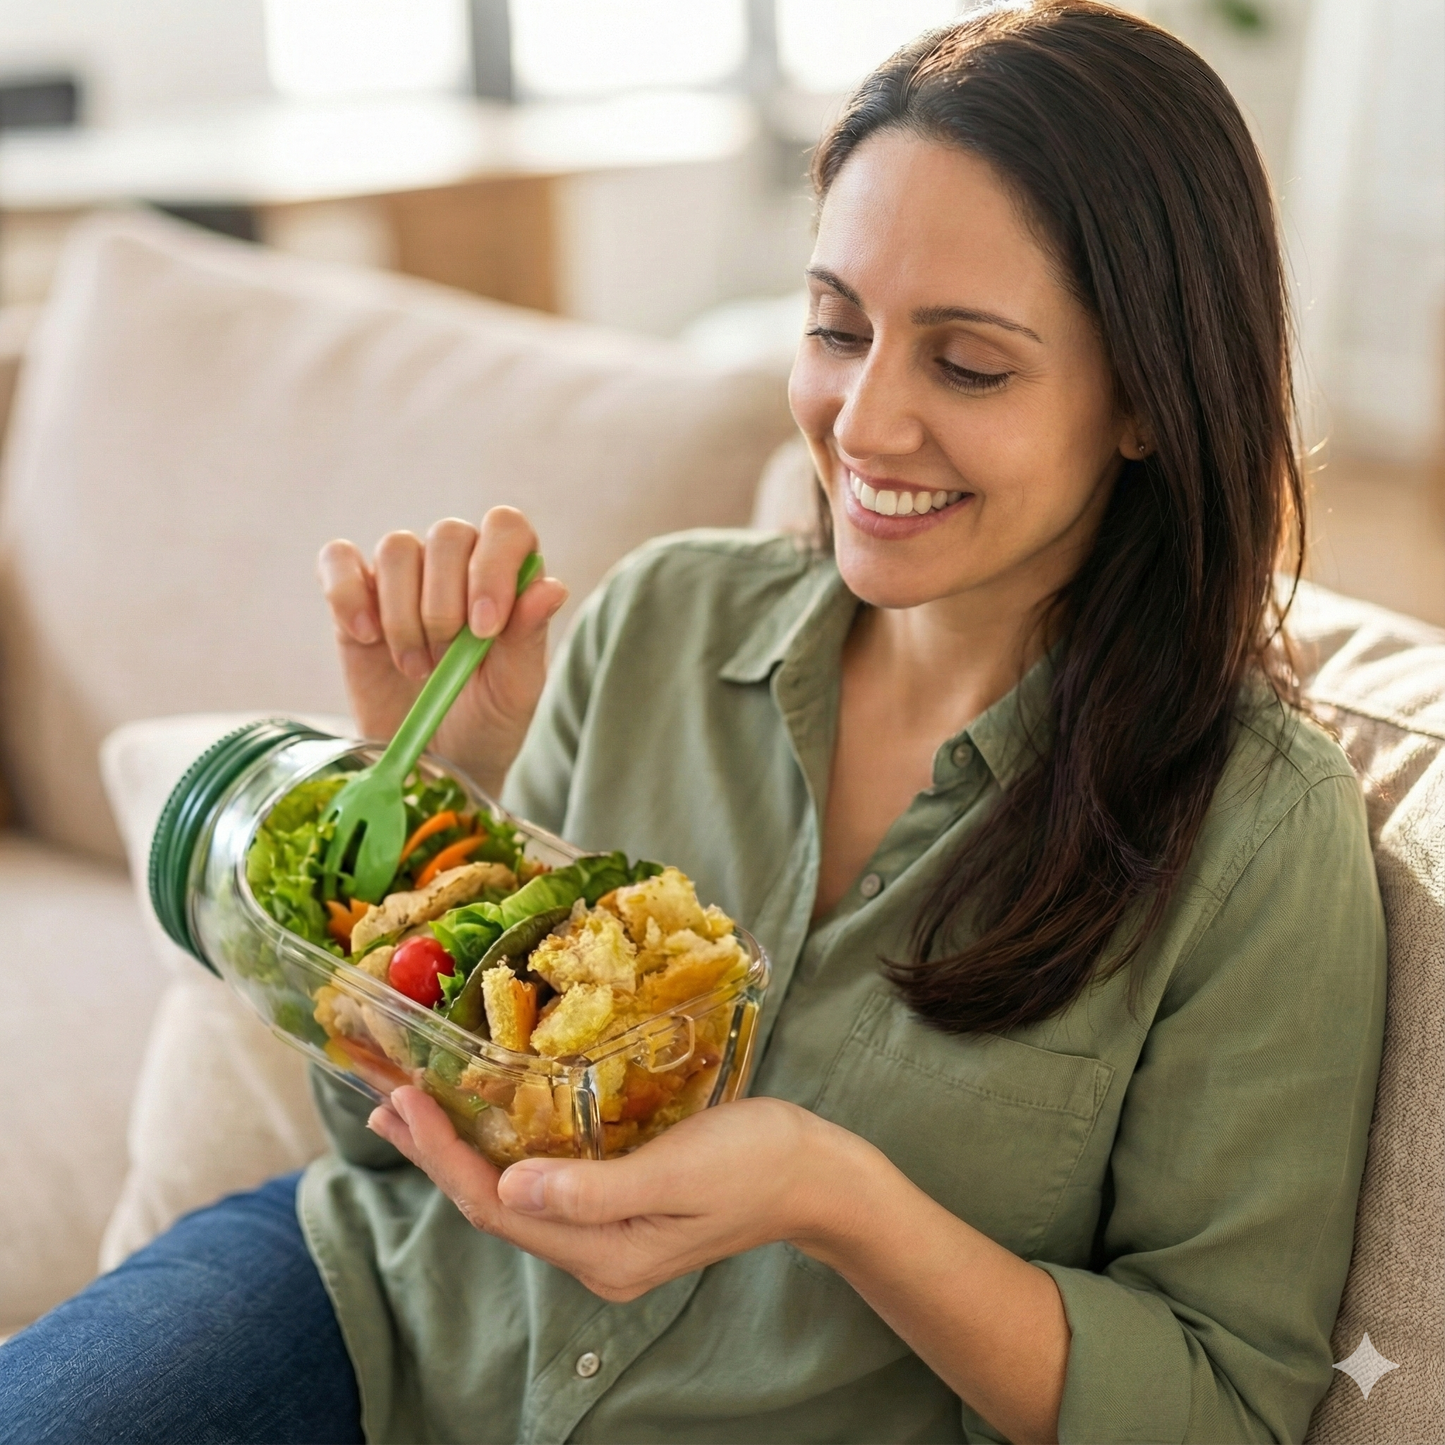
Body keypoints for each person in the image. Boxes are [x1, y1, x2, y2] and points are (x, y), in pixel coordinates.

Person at [0, 4, 1385, 1442]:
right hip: (371, 1321)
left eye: (969, 364)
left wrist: (837, 1202)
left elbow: (1226, 1405)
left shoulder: (1253, 838)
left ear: (1149, 397)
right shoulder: (662, 619)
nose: (862, 423)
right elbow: (392, 1148)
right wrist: (433, 830)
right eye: (837, 326)